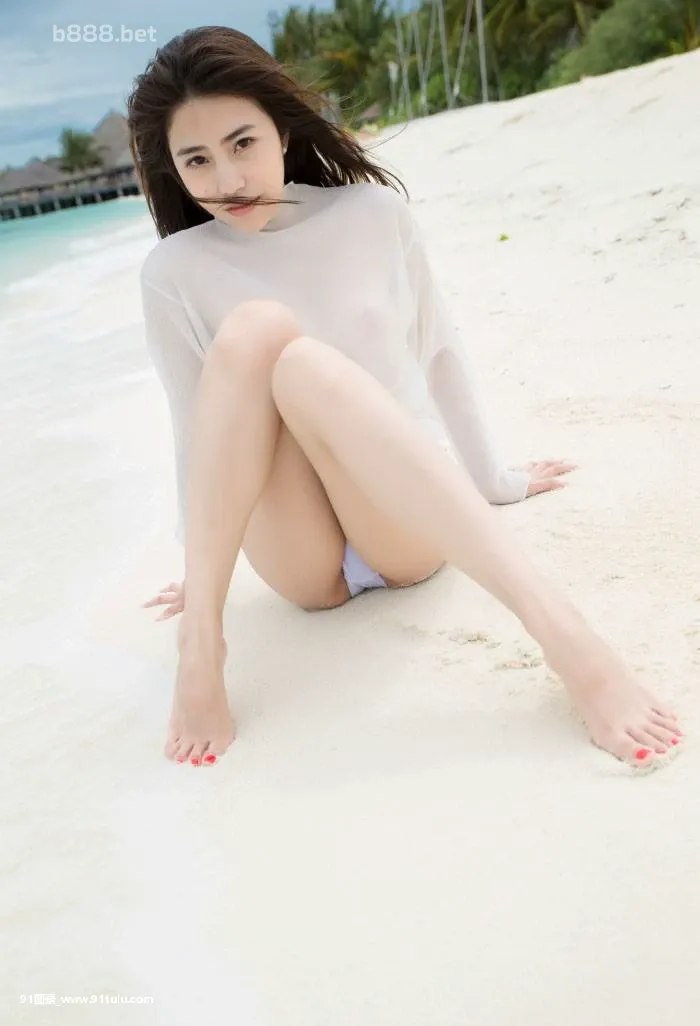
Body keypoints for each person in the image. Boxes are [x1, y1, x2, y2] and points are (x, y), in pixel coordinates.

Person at [133, 26, 681, 769]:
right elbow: (195, 427)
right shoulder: (173, 270)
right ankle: (201, 643)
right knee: (255, 333)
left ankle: (567, 638)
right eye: (196, 159)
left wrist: (494, 480)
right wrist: (202, 574)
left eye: (243, 143)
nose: (228, 179)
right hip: (299, 557)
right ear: (171, 168)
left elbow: (439, 351)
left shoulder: (370, 215)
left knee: (301, 364)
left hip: (404, 526)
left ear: (281, 132)